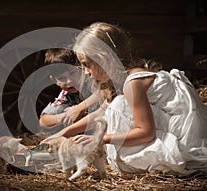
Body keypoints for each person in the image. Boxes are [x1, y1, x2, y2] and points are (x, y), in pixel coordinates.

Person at [44, 22, 207, 175]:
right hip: (170, 123)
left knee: (118, 106)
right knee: (113, 109)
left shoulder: (132, 83)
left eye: (86, 64)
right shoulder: (120, 79)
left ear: (104, 58)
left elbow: (146, 133)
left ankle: (163, 153)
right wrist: (64, 133)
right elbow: (99, 114)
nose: (85, 72)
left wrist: (100, 139)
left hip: (183, 134)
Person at [38, 48, 100, 136]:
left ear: (82, 68)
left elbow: (104, 93)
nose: (69, 81)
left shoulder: (92, 81)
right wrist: (65, 116)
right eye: (61, 78)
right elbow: (43, 121)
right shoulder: (67, 94)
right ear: (55, 80)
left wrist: (79, 108)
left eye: (72, 73)